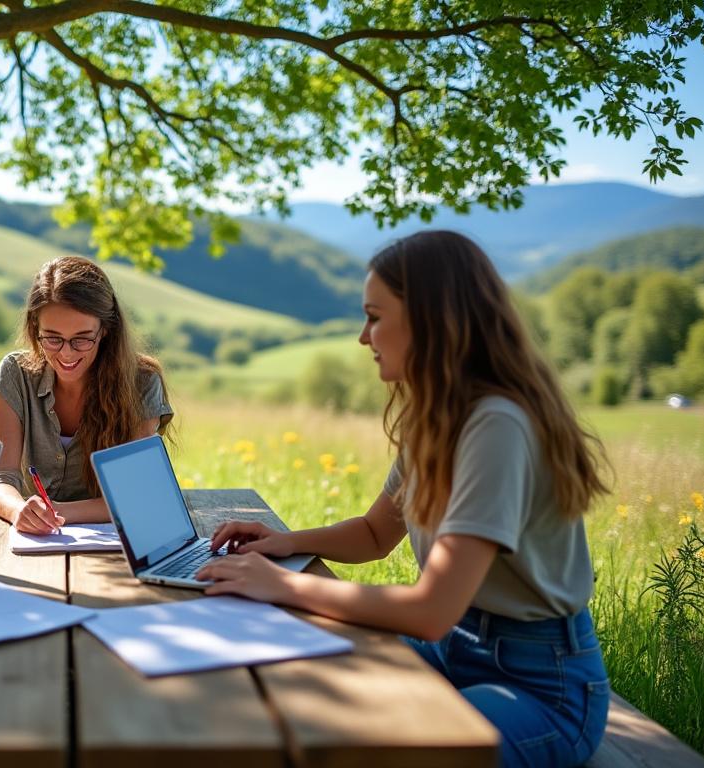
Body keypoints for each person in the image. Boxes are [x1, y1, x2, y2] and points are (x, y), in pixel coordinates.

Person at [199, 231, 611, 767]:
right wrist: (283, 543)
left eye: (375, 316)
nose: (363, 337)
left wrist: (284, 585)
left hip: (540, 685)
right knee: (292, 686)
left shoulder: (497, 426)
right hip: (453, 650)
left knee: (397, 747)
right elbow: (374, 535)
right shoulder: (436, 419)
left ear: (430, 319)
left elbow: (433, 610)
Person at [0, 256, 174, 534]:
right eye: (52, 337)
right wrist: (17, 510)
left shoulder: (143, 382)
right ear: (34, 328)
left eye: (82, 338)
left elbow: (135, 495)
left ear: (106, 330)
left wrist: (56, 512)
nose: (66, 353)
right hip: (32, 537)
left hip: (110, 544)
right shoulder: (15, 373)